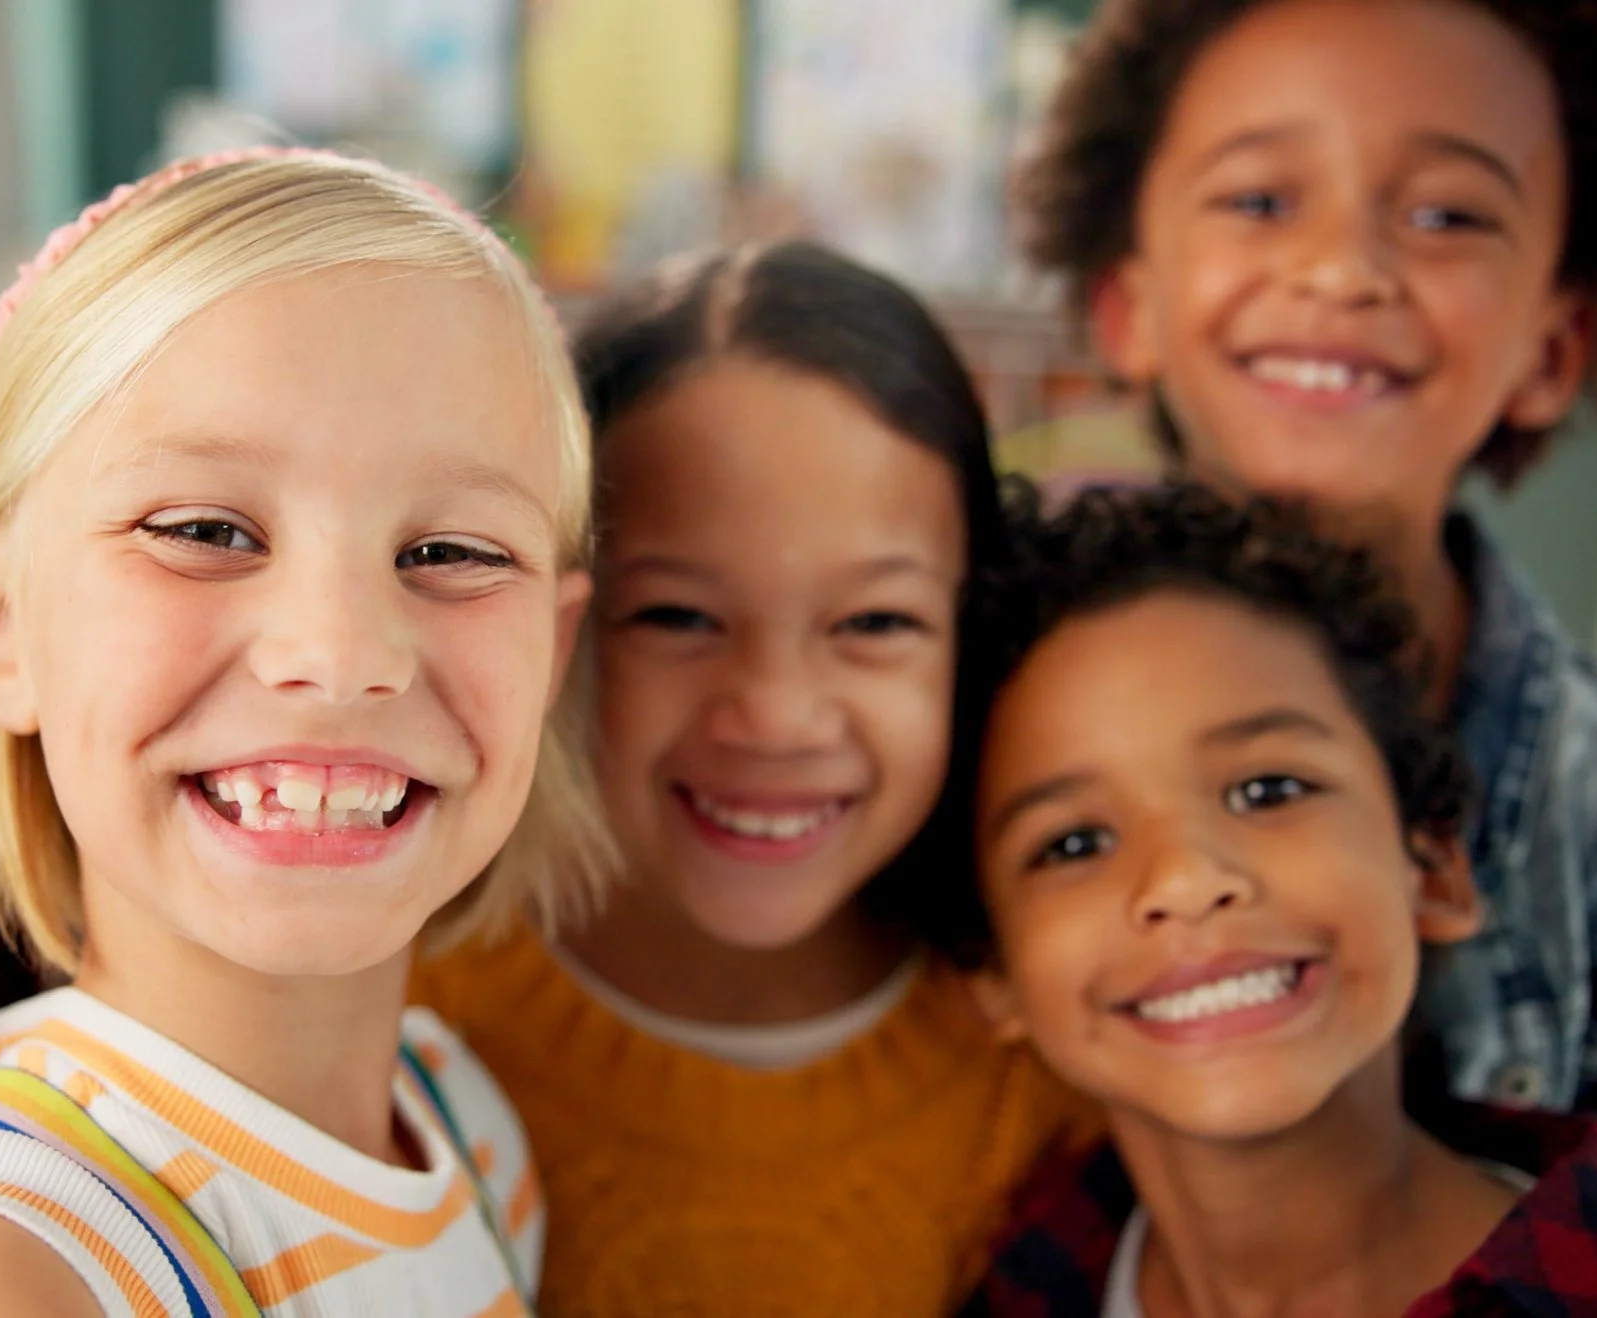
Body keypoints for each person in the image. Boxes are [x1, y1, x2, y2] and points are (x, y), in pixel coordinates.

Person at [0, 148, 613, 1318]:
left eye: (454, 553)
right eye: (205, 529)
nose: (339, 651)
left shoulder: (469, 1131)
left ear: (552, 652)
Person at [1017, 0, 1597, 1251]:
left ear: (1554, 344)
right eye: (1260, 201)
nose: (1340, 268)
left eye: (1446, 214)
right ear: (1129, 305)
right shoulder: (970, 707)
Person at [411, 242, 1100, 1314]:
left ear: (975, 634)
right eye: (678, 616)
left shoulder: (1064, 1056)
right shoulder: (394, 1020)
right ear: (550, 627)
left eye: (876, 622)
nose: (775, 713)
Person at [958, 481, 1597, 1314]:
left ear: (1434, 870)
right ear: (996, 974)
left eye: (1268, 789)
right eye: (1073, 844)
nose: (1187, 880)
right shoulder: (1019, 1281)